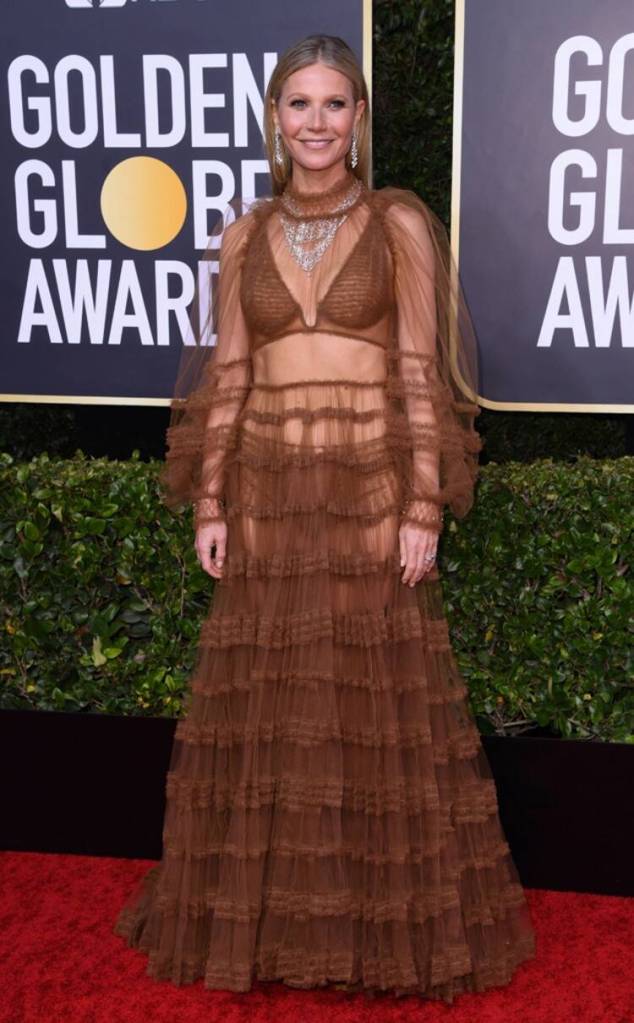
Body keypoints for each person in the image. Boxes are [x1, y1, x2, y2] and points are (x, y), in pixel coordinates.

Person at [113, 33, 536, 1003]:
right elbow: (230, 374)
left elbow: (419, 370)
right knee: (276, 705)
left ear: (359, 118)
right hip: (266, 487)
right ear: (275, 117)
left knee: (369, 702)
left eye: (334, 103)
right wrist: (210, 497)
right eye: (298, 104)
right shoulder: (242, 235)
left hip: (367, 486)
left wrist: (423, 499)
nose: (316, 122)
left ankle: (368, 926)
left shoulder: (398, 224)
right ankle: (277, 923)